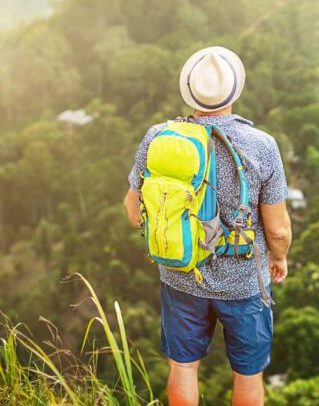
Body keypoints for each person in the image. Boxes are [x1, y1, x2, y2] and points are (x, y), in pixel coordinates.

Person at [122, 45, 292, 406]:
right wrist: (279, 258)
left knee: (183, 366)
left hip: (181, 275)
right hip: (244, 281)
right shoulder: (262, 145)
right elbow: (277, 229)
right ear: (234, 91)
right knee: (248, 372)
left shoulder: (159, 137)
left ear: (190, 91)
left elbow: (133, 210)